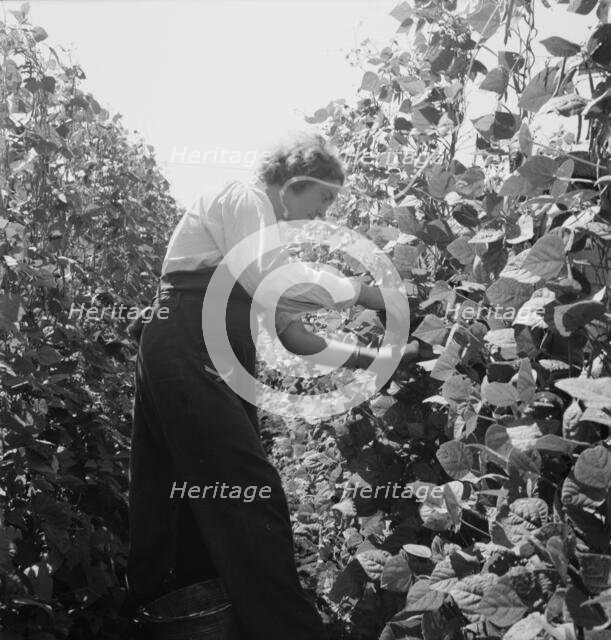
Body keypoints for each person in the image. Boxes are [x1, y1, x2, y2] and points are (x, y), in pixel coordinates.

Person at [126, 132, 420, 640]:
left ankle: (206, 619)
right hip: (188, 339)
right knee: (248, 490)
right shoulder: (245, 201)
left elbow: (295, 335)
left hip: (210, 348)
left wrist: (381, 359)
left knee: (196, 494)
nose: (324, 214)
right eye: (323, 198)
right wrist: (369, 295)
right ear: (296, 181)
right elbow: (275, 284)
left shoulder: (263, 237)